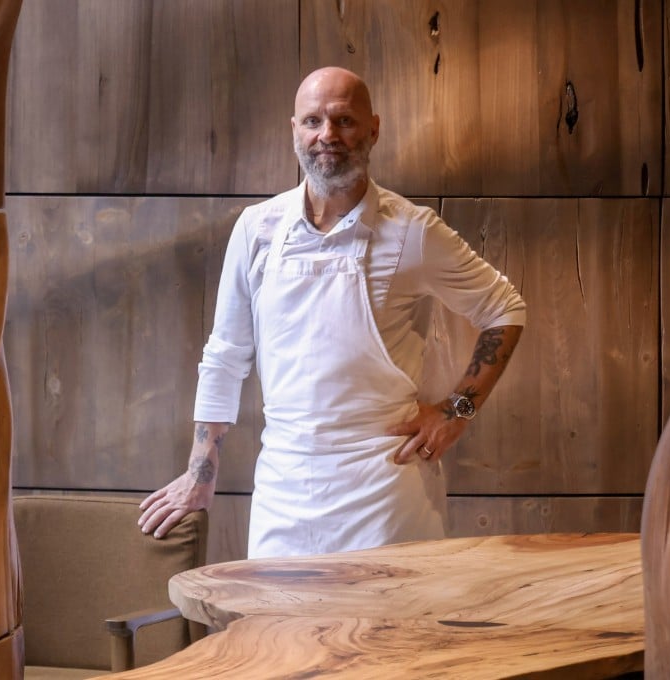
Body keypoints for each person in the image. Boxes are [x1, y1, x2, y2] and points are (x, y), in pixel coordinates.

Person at [139, 66, 525, 558]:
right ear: (294, 130)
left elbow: (504, 308)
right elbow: (226, 354)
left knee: (390, 634)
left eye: (344, 120)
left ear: (373, 129)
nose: (328, 136)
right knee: (279, 633)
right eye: (313, 121)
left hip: (385, 493)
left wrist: (458, 412)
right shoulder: (257, 229)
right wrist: (200, 469)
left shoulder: (412, 231)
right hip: (285, 489)